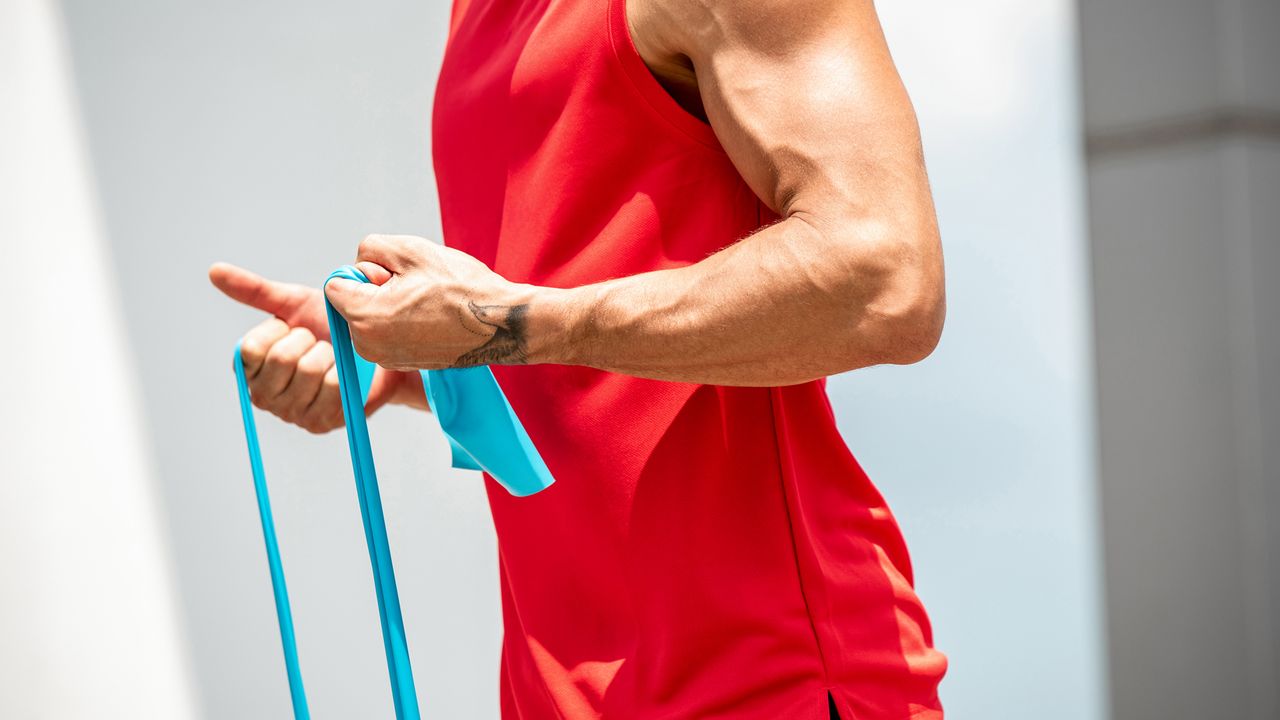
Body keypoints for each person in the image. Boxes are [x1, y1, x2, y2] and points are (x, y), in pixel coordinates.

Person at [210, 0, 947, 717]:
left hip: (766, 683)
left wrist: (507, 323)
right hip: (553, 693)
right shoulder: (476, 14)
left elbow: (885, 282)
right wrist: (405, 365)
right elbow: (552, 340)